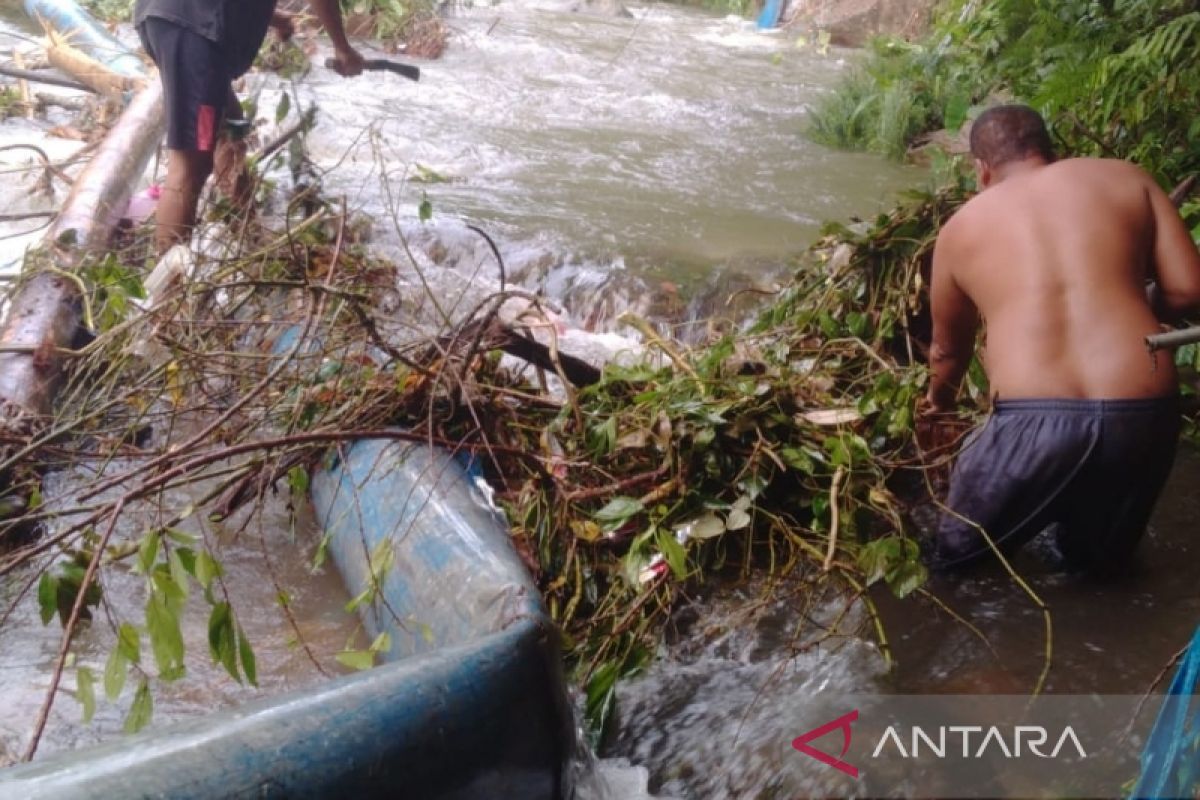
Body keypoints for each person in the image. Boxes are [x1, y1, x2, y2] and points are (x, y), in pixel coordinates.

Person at [922, 104, 1200, 574]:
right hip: (1143, 408)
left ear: (981, 169)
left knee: (954, 566)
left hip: (1031, 420)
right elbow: (1189, 292)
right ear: (1051, 151)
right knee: (1098, 571)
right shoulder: (1128, 179)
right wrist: (1134, 300)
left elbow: (948, 351)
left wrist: (936, 408)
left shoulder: (960, 228)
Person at [134, 0, 365, 254]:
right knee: (191, 164)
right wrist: (342, 48)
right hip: (193, 29)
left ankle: (248, 235)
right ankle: (169, 286)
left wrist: (274, 17)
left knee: (231, 124)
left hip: (173, 19)